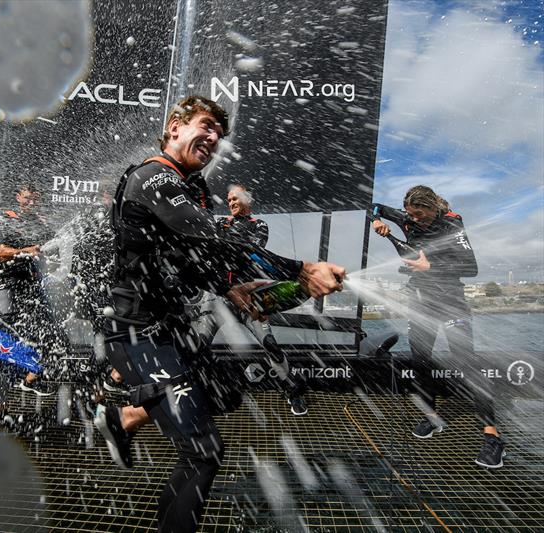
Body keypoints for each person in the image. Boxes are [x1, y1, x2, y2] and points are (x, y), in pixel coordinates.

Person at [98, 95, 346, 533]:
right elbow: (214, 237)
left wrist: (231, 286)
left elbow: (198, 259)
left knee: (228, 395)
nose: (213, 139)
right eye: (205, 126)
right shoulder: (153, 178)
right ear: (174, 126)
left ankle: (124, 417)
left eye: (218, 134)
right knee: (203, 452)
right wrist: (302, 269)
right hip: (139, 338)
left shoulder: (192, 187)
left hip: (174, 331)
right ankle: (126, 415)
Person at [372, 185, 505, 468]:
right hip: (420, 301)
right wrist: (376, 221)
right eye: (411, 215)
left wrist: (429, 267)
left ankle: (493, 436)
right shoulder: (406, 217)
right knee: (420, 360)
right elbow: (372, 205)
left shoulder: (452, 224)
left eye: (420, 214)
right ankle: (432, 418)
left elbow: (471, 268)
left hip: (451, 302)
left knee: (467, 363)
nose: (414, 220)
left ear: (433, 208)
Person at [214, 184, 309, 415]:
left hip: (249, 300)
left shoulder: (259, 225)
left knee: (271, 345)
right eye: (229, 200)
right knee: (196, 343)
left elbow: (252, 251)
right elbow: (211, 247)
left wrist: (225, 245)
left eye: (236, 198)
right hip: (220, 299)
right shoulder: (220, 223)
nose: (231, 203)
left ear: (248, 200)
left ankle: (292, 390)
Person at [0, 183, 69, 398]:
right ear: (18, 197)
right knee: (9, 329)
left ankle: (31, 378)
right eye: (27, 198)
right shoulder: (5, 219)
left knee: (47, 332)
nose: (31, 203)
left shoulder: (39, 224)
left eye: (35, 200)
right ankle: (2, 390)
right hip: (8, 285)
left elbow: (52, 251)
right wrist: (25, 251)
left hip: (32, 286)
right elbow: (0, 253)